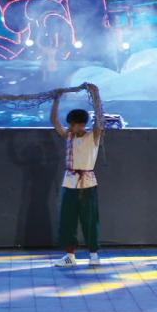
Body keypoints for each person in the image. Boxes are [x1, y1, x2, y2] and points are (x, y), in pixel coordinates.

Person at [51, 92, 105, 267]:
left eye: (73, 124)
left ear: (81, 124)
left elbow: (99, 122)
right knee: (68, 220)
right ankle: (70, 256)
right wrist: (56, 99)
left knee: (89, 219)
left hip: (87, 183)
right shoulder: (69, 137)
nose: (70, 127)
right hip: (69, 183)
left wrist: (95, 97)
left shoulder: (92, 136)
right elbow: (54, 122)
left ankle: (94, 255)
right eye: (70, 125)